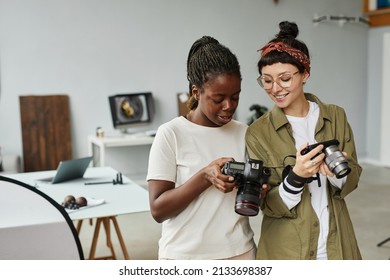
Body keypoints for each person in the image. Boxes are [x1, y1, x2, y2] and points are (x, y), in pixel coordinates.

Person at [245, 21, 362, 260]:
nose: (275, 88)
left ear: (305, 74)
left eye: (285, 78)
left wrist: (337, 174)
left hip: (337, 246)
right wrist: (296, 176)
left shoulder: (335, 116)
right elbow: (267, 204)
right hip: (287, 251)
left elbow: (353, 178)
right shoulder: (258, 132)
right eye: (266, 80)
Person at [146, 36, 256, 260]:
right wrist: (205, 176)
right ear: (196, 93)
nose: (229, 106)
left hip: (239, 253)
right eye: (218, 99)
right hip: (183, 257)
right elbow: (158, 210)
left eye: (235, 97)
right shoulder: (171, 134)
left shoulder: (244, 133)